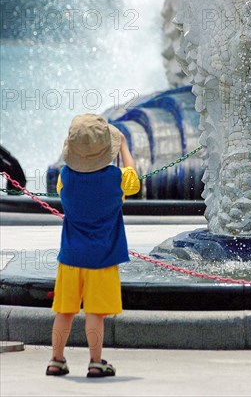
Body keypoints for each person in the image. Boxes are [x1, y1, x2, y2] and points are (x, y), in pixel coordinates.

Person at [46, 114, 140, 378]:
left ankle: (56, 359)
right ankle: (96, 362)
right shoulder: (116, 179)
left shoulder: (65, 177)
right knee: (95, 313)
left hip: (71, 257)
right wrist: (123, 146)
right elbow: (133, 179)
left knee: (64, 311)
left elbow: (65, 186)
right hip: (103, 258)